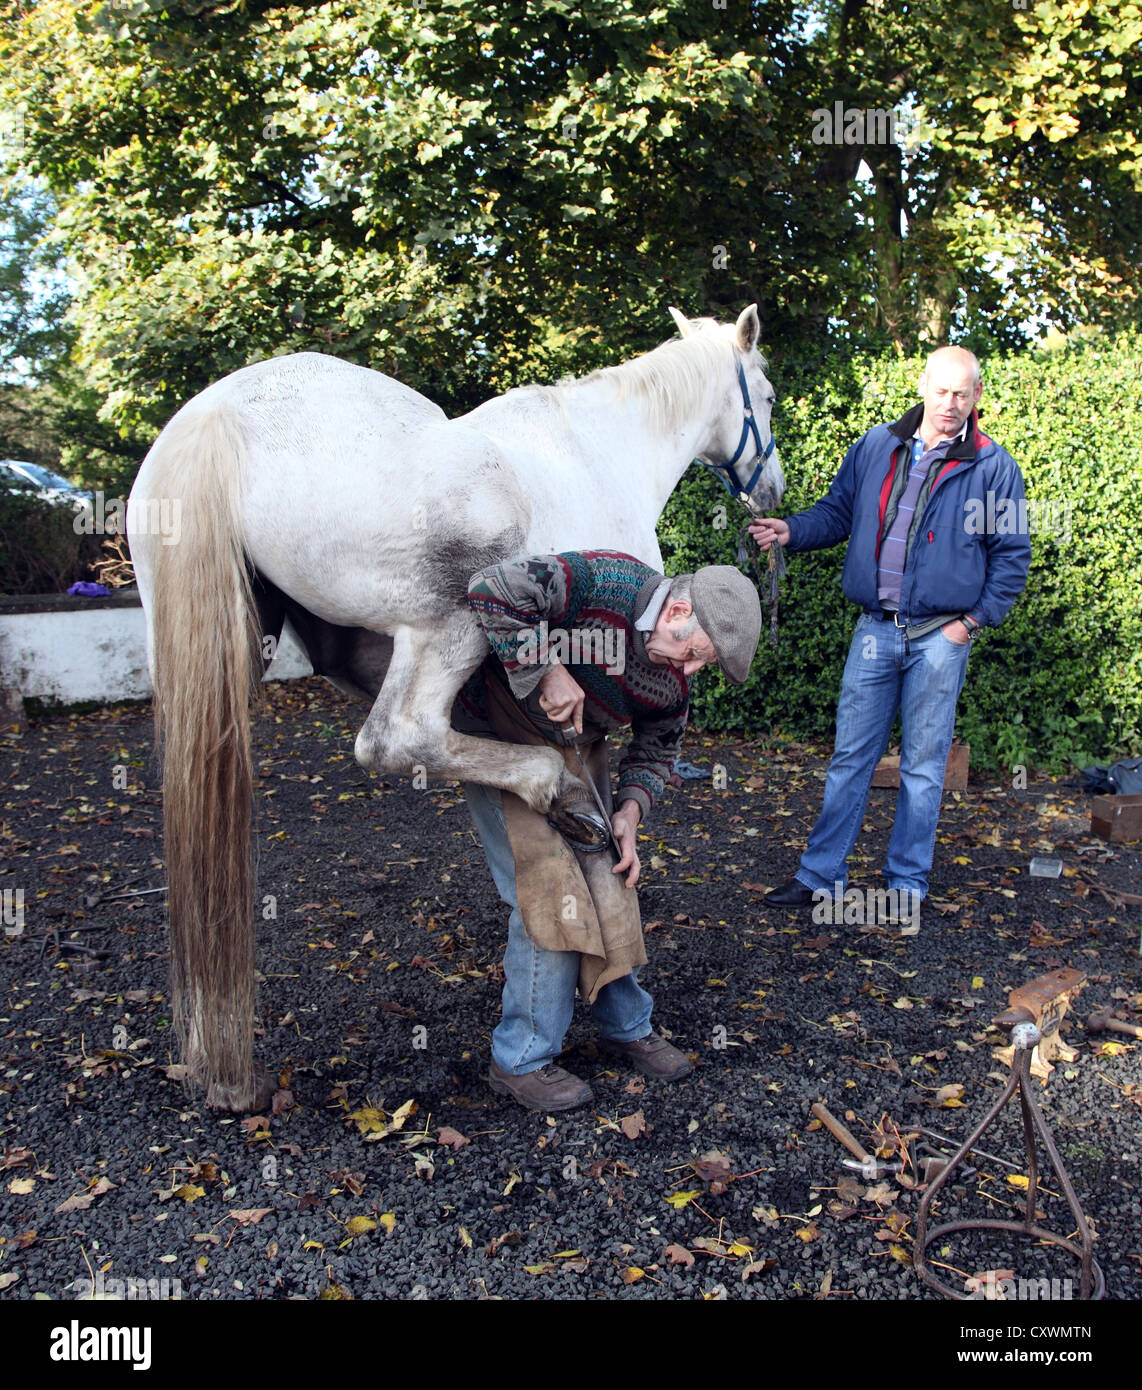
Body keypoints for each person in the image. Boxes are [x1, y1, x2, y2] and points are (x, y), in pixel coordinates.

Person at [454, 550, 762, 1110]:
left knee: (609, 873)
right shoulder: (606, 581)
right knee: (549, 890)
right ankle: (520, 1059)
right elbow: (490, 586)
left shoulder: (671, 677)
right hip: (500, 740)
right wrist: (547, 668)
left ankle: (626, 1026)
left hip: (576, 745)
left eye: (702, 665)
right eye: (693, 655)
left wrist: (631, 812)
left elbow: (657, 746)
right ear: (678, 610)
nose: (689, 673)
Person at [750, 347, 1030, 926]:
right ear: (923, 385)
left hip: (939, 637)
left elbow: (1011, 558)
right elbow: (837, 513)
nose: (950, 404)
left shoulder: (994, 467)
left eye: (962, 394)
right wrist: (790, 530)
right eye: (942, 390)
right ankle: (820, 876)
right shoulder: (878, 445)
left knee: (923, 768)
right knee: (850, 757)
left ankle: (906, 885)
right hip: (875, 630)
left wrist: (968, 624)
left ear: (976, 397)